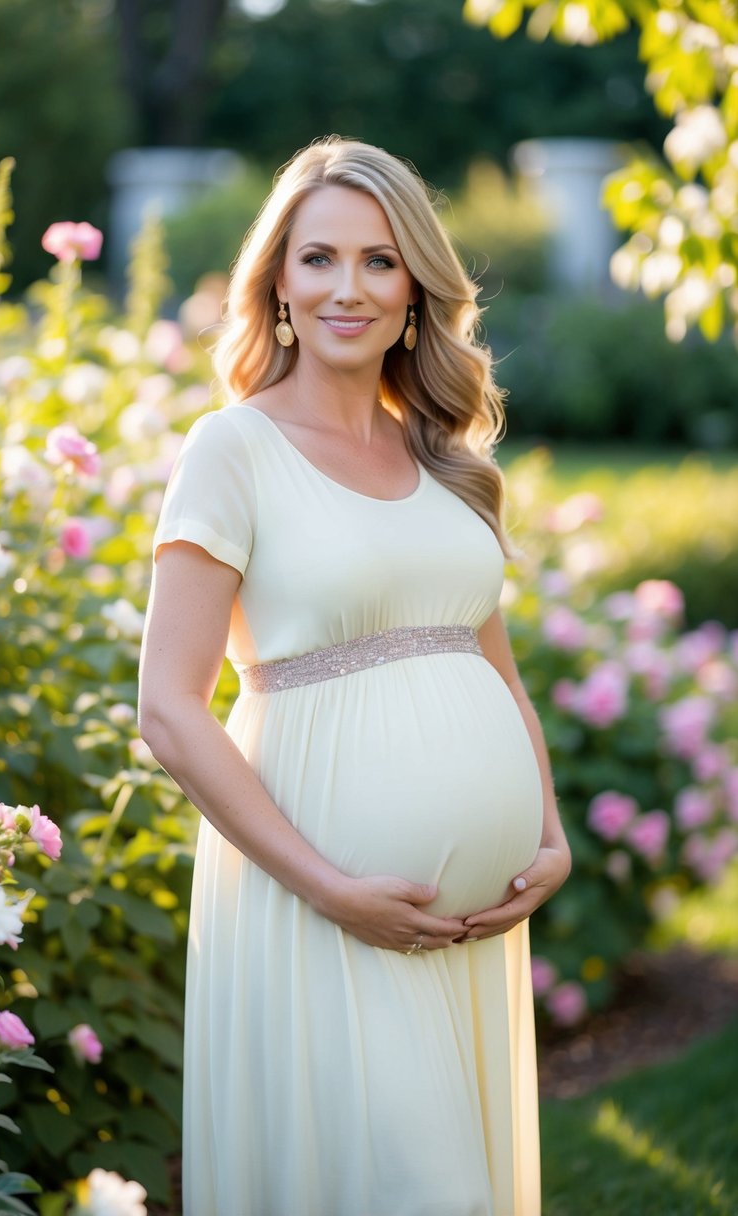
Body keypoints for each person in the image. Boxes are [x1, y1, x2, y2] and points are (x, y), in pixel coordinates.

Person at [138, 135, 571, 1216]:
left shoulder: (444, 461)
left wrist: (549, 835)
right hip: (321, 904)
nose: (349, 287)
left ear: (417, 288)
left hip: (469, 930)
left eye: (380, 261)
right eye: (318, 257)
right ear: (277, 281)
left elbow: (493, 667)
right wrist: (332, 887)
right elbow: (169, 709)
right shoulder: (229, 450)